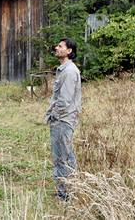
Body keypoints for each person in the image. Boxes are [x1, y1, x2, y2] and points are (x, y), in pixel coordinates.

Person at [45, 38, 82, 201]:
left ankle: (65, 193)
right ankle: (69, 188)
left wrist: (54, 116)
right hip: (62, 119)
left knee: (61, 157)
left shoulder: (69, 71)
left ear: (69, 51)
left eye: (60, 46)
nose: (56, 48)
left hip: (63, 120)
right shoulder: (64, 69)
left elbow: (64, 100)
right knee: (66, 154)